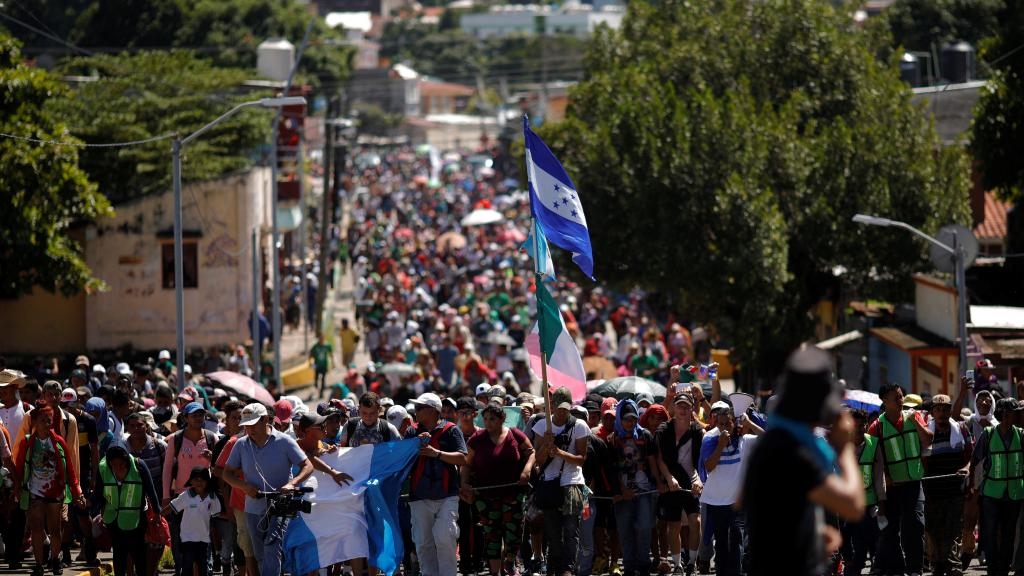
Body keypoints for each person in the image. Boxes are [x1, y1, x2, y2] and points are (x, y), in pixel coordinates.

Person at [743, 345, 865, 576]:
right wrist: (845, 447)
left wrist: (812, 539)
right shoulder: (793, 451)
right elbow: (852, 505)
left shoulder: (778, 441)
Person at [222, 403, 314, 576]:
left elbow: (307, 466)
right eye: (246, 425)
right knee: (260, 554)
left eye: (253, 424)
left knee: (271, 547)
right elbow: (226, 474)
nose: (249, 429)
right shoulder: (241, 444)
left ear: (265, 420)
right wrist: (244, 486)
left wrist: (292, 483)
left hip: (280, 504)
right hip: (253, 507)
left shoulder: (285, 441)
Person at [12, 404, 87, 576]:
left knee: (55, 529)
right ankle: (39, 565)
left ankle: (55, 560)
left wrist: (77, 492)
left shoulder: (59, 441)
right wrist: (17, 487)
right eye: (43, 420)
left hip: (56, 492)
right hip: (35, 492)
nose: (47, 423)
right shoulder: (27, 442)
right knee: (37, 528)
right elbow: (19, 466)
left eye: (50, 420)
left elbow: (70, 469)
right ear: (34, 422)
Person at [462, 402, 535, 576]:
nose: (488, 422)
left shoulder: (515, 435)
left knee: (513, 532)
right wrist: (464, 483)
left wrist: (527, 469)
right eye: (485, 419)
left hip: (513, 494)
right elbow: (466, 463)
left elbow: (531, 452)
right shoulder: (477, 439)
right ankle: (495, 572)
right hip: (486, 496)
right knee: (492, 535)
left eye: (492, 419)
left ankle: (509, 562)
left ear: (502, 419)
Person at [868, 383, 933, 576]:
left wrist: (916, 423)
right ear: (884, 401)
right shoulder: (876, 427)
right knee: (890, 531)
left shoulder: (915, 417)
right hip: (891, 487)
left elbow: (928, 440)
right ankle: (897, 569)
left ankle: (915, 569)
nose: (900, 400)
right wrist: (884, 478)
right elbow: (871, 458)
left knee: (915, 526)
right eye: (895, 397)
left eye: (901, 396)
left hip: (913, 483)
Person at [407, 392, 468, 576]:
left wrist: (437, 453)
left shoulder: (451, 430)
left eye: (420, 408)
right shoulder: (411, 432)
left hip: (447, 494)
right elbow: (403, 460)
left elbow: (462, 458)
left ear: (433, 411)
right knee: (423, 542)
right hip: (419, 495)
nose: (415, 411)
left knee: (445, 538)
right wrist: (414, 447)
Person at [698, 400, 761, 576]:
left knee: (736, 538)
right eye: (721, 424)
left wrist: (750, 424)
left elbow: (768, 440)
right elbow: (709, 466)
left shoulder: (744, 441)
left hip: (736, 502)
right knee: (722, 542)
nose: (724, 426)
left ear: (734, 422)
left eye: (728, 423)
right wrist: (720, 444)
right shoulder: (710, 439)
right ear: (716, 424)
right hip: (716, 501)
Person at [531, 387, 590, 576]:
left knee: (571, 530)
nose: (563, 411)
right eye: (559, 407)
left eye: (566, 408)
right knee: (553, 531)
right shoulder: (541, 426)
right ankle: (554, 565)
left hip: (571, 481)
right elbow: (538, 460)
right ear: (553, 406)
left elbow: (581, 459)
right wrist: (546, 445)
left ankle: (568, 568)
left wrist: (559, 452)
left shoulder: (579, 426)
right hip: (549, 483)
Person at [970, 397, 1024, 576]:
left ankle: (1004, 567)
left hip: (1015, 493)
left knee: (1009, 535)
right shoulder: (988, 433)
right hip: (992, 494)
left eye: (1012, 414)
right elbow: (975, 459)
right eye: (1006, 414)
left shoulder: (1021, 434)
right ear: (1000, 415)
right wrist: (971, 484)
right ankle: (993, 569)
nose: (1009, 418)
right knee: (990, 533)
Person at [162, 401, 218, 576]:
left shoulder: (211, 438)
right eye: (194, 415)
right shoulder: (176, 439)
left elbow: (219, 469)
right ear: (185, 418)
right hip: (182, 497)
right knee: (181, 541)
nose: (198, 418)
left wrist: (212, 459)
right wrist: (165, 495)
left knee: (204, 539)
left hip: (205, 498)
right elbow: (167, 468)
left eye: (201, 414)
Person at [608, 399, 661, 576]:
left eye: (633, 418)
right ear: (619, 419)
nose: (630, 423)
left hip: (645, 490)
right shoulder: (613, 439)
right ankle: (629, 567)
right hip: (623, 493)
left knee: (645, 526)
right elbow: (611, 469)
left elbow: (653, 461)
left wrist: (659, 482)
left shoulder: (645, 435)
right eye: (626, 419)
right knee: (625, 530)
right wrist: (621, 490)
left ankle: (643, 564)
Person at [655, 391, 704, 575]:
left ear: (692, 410)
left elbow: (700, 461)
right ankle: (677, 565)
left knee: (696, 521)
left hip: (691, 480)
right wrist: (668, 478)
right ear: (673, 408)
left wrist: (699, 480)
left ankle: (692, 562)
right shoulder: (663, 429)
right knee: (673, 525)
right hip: (670, 481)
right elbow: (659, 459)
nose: (683, 409)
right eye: (680, 405)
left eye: (687, 406)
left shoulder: (697, 431)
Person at [922, 394, 972, 576]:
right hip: (933, 491)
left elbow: (971, 457)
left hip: (955, 490)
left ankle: (953, 566)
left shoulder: (962, 428)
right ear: (932, 412)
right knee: (934, 530)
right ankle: (939, 564)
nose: (942, 413)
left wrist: (966, 468)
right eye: (938, 409)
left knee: (954, 530)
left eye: (945, 409)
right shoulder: (926, 431)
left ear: (951, 411)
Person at [96, 445, 161, 576]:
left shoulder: (139, 466)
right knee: (119, 554)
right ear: (109, 463)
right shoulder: (103, 469)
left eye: (121, 464)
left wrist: (157, 512)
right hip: (114, 520)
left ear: (126, 461)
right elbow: (99, 494)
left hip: (137, 520)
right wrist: (92, 508)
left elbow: (151, 490)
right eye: (114, 465)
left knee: (138, 555)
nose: (118, 468)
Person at [164, 467, 222, 576]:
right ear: (191, 481)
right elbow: (172, 506)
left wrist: (217, 539)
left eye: (202, 480)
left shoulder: (212, 497)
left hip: (204, 538)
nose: (199, 482)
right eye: (196, 479)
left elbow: (216, 515)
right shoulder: (186, 495)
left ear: (207, 481)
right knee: (187, 566)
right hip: (188, 538)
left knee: (203, 567)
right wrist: (159, 516)